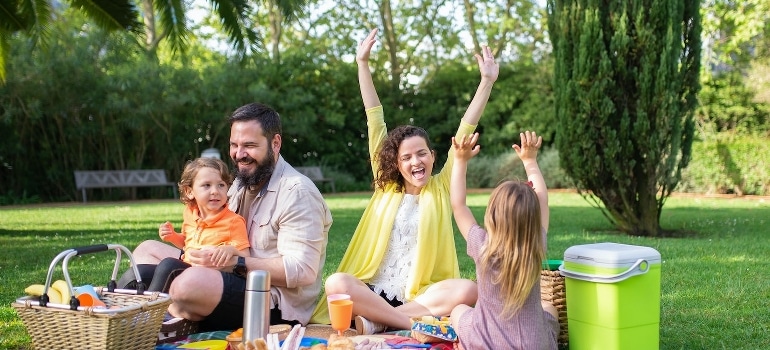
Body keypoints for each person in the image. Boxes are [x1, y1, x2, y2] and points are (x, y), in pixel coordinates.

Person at [313, 28, 499, 335]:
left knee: (468, 289)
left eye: (422, 154)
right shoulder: (386, 186)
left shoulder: (440, 188)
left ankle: (378, 321)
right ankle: (407, 323)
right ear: (396, 164)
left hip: (419, 297)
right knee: (336, 282)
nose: (416, 162)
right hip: (371, 288)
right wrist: (362, 64)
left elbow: (467, 127)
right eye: (407, 157)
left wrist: (487, 82)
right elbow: (374, 116)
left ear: (433, 156)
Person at [118, 102, 333, 332]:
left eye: (249, 145)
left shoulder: (297, 192)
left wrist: (237, 263)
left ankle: (159, 320)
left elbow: (303, 270)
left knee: (186, 284)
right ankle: (133, 314)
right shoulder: (240, 182)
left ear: (275, 143)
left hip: (270, 301)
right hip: (223, 272)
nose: (239, 155)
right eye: (234, 145)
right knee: (146, 251)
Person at [449, 131, 559, 349]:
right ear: (533, 218)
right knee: (550, 308)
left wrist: (460, 161)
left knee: (458, 310)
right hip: (535, 345)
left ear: (492, 215)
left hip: (486, 343)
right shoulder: (536, 245)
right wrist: (530, 162)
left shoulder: (482, 246)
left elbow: (458, 205)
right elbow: (543, 201)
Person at [146, 157, 250, 293]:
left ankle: (150, 311)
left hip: (211, 278)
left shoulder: (233, 221)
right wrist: (172, 237)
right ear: (189, 192)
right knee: (141, 272)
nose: (215, 191)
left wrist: (229, 250)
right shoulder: (190, 213)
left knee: (168, 265)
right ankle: (116, 309)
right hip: (188, 267)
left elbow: (245, 254)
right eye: (207, 185)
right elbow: (187, 242)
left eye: (221, 185)